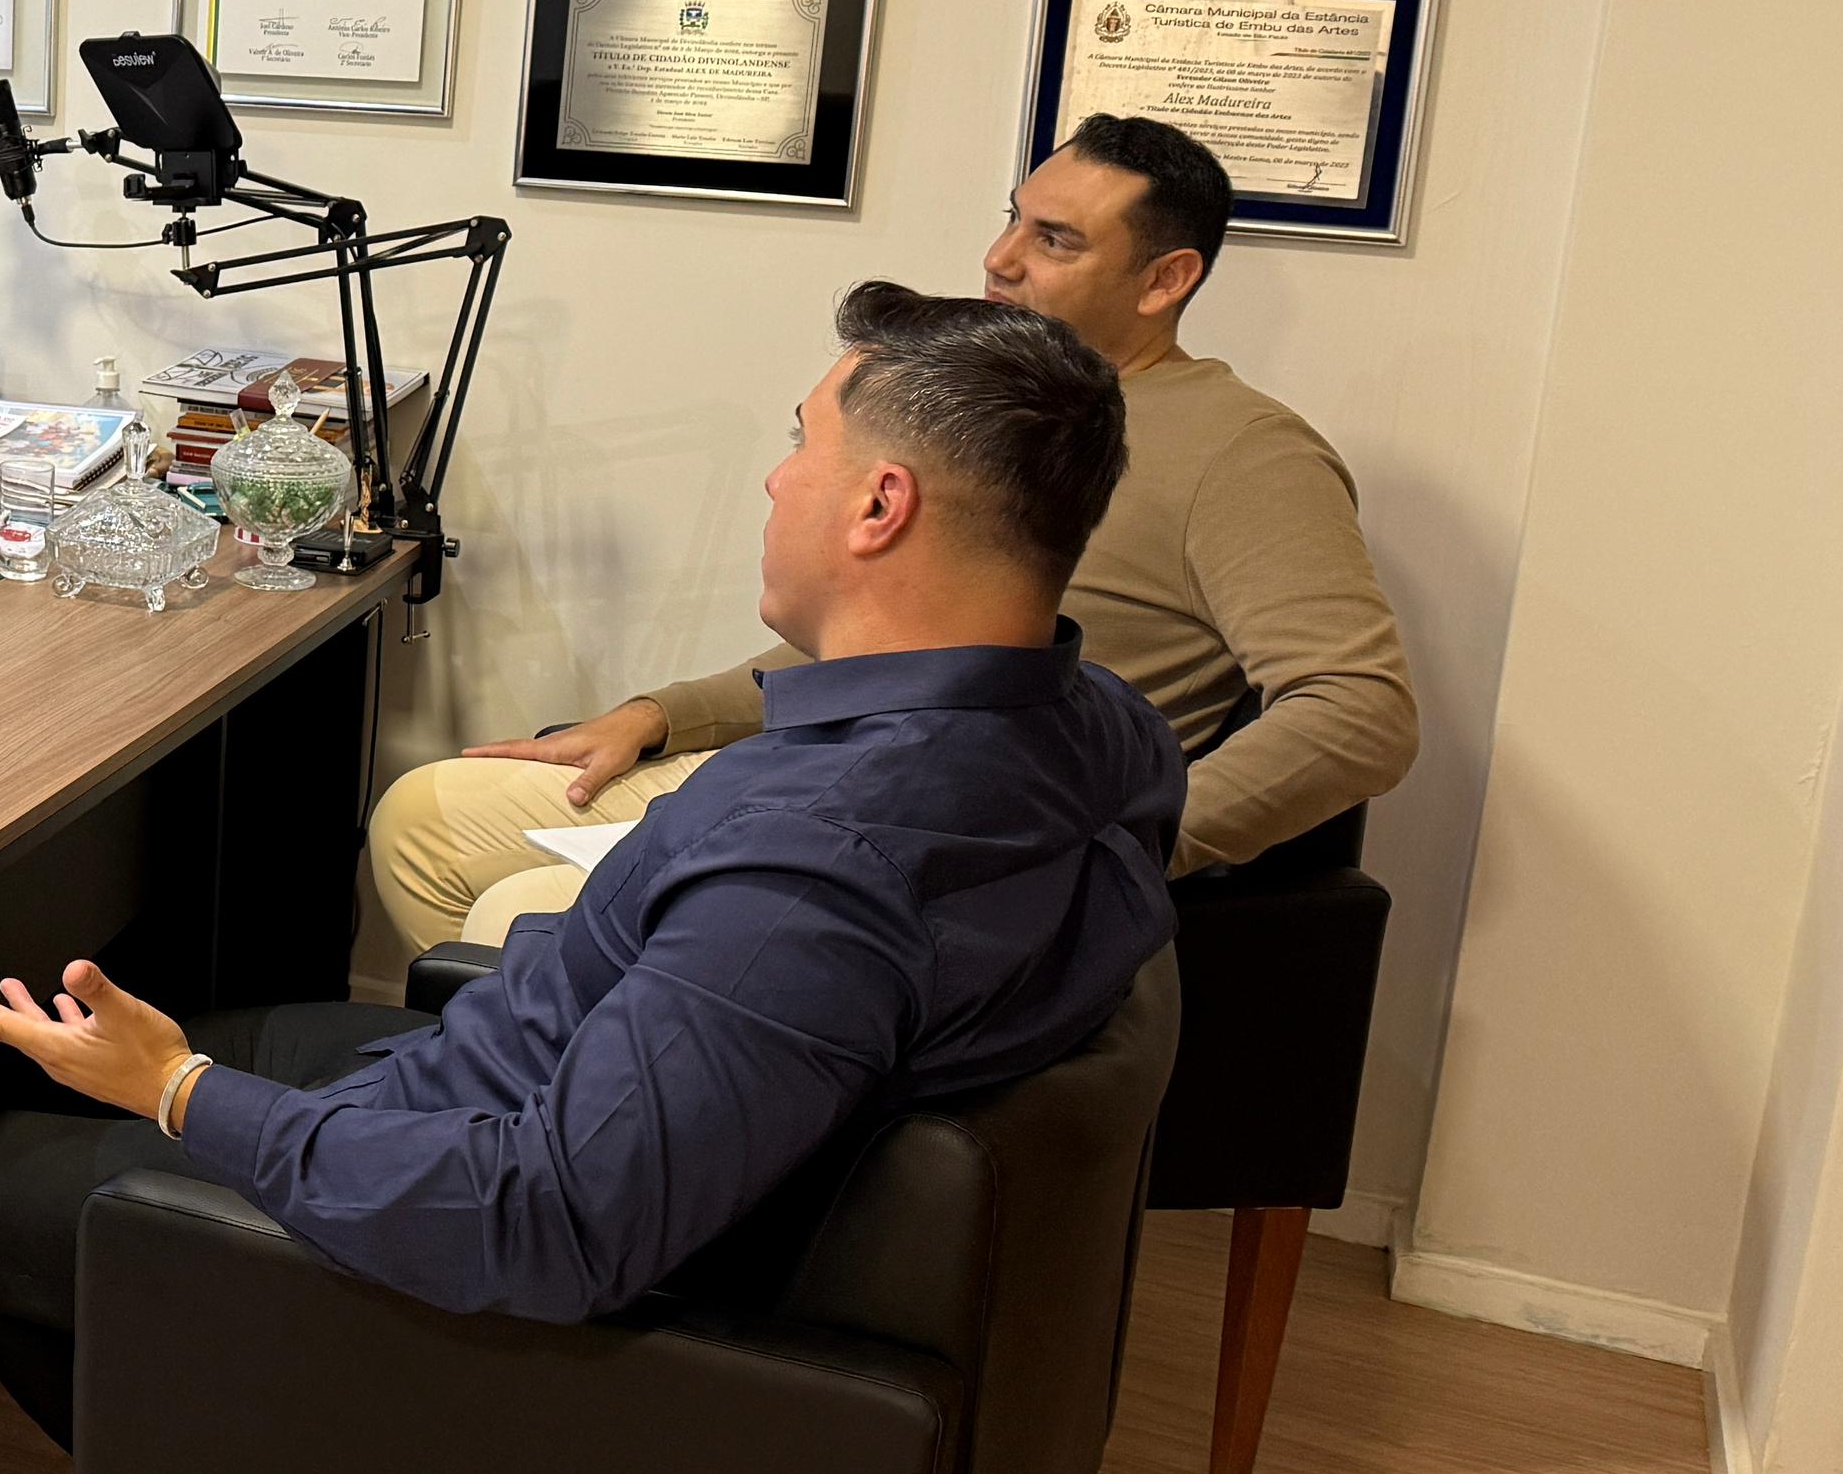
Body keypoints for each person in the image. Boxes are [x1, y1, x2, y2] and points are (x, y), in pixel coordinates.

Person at [0, 284, 1185, 1474]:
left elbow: (544, 1222)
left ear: (879, 505)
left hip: (492, 1200)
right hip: (514, 1081)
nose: (774, 478)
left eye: (801, 444)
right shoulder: (1097, 729)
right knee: (70, 1058)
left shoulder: (819, 877)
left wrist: (180, 1092)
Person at [369, 112, 1416, 955]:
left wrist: (1131, 842)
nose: (998, 260)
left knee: (524, 917)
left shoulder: (1246, 454)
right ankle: (530, 1098)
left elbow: (1360, 711)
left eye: (1054, 241)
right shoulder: (996, 405)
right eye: (1013, 221)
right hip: (815, 761)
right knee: (424, 818)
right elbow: (886, 632)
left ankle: (606, 1125)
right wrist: (661, 714)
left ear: (1164, 280)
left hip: (953, 821)